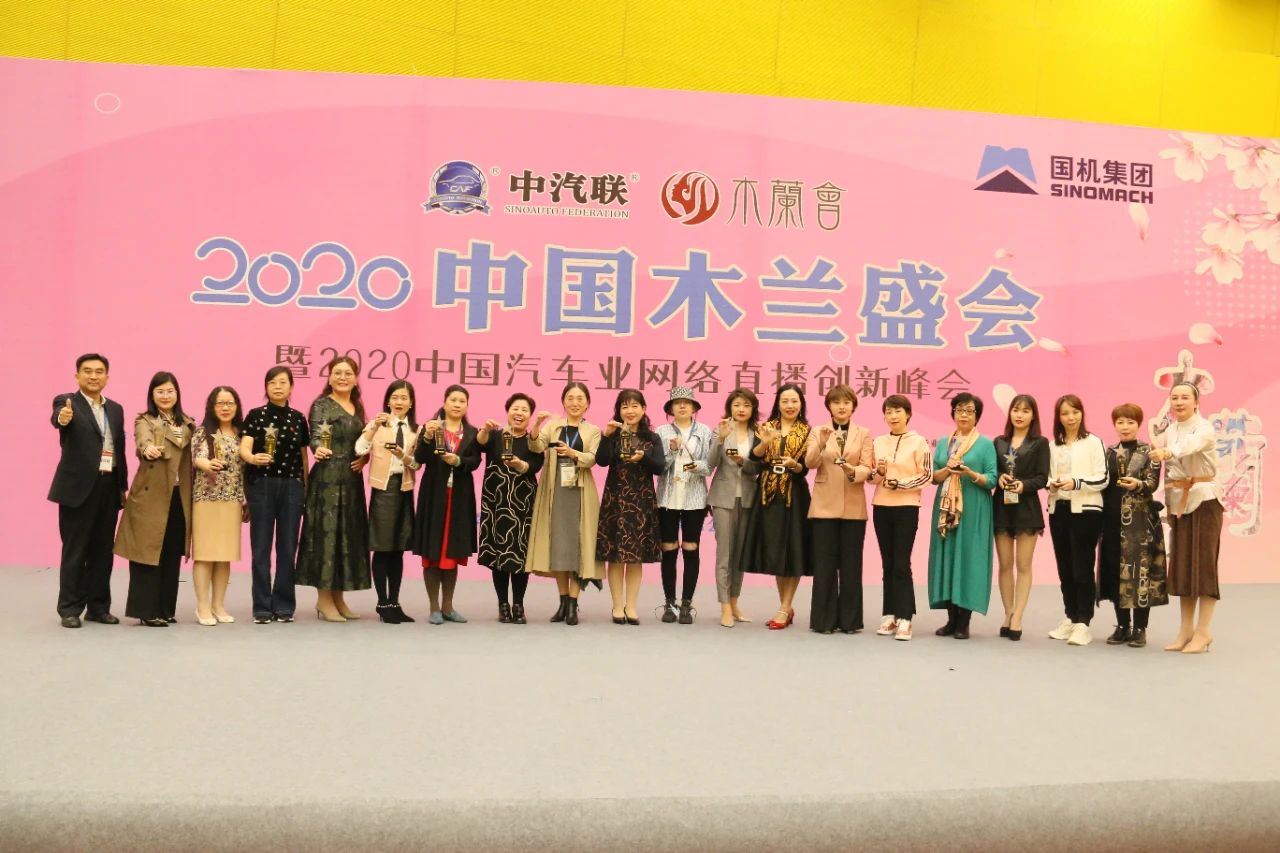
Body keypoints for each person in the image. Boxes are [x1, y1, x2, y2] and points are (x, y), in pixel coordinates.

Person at [49, 353, 129, 628]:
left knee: (103, 552)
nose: (93, 376)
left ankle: (98, 608)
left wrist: (122, 486)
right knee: (75, 550)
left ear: (107, 376)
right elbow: (58, 418)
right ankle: (69, 609)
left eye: (99, 371)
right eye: (87, 371)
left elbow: (120, 449)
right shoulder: (67, 402)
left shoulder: (116, 409)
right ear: (77, 376)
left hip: (108, 487)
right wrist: (62, 417)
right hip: (77, 489)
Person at [114, 372, 194, 627]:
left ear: (177, 393)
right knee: (147, 553)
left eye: (170, 391)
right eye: (160, 391)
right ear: (152, 395)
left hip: (179, 496)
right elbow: (143, 441)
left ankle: (165, 608)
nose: (165, 396)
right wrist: (147, 448)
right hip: (150, 497)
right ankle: (146, 611)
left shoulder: (188, 424)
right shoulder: (145, 420)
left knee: (171, 552)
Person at [296, 356, 370, 621]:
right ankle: (323, 600)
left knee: (345, 538)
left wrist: (365, 458)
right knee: (326, 539)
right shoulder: (321, 405)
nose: (342, 377)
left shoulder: (357, 406)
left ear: (356, 378)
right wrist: (318, 448)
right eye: (337, 372)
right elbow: (316, 436)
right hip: (327, 480)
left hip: (351, 482)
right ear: (329, 377)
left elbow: (362, 441)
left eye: (348, 373)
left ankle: (339, 598)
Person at [1151, 381, 1222, 654]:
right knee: (1182, 566)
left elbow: (1190, 446)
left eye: (1184, 397)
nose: (1179, 402)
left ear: (1196, 402)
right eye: (1174, 397)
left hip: (1204, 500)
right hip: (1179, 502)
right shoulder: (1170, 430)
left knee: (1204, 566)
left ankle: (1204, 631)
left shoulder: (1204, 428)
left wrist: (1168, 451)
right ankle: (1185, 631)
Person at [526, 382, 605, 625]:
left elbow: (592, 459)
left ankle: (573, 603)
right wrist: (537, 426)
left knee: (579, 547)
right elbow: (536, 446)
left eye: (580, 398)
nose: (575, 402)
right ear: (563, 402)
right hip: (554, 489)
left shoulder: (593, 430)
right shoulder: (553, 425)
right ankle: (562, 602)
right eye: (570, 398)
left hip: (580, 492)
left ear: (588, 403)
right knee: (558, 546)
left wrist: (573, 454)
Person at [738, 383, 812, 630]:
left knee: (794, 549)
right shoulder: (766, 427)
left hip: (795, 493)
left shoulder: (808, 431)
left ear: (801, 404)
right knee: (777, 550)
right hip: (767, 493)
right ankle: (785, 607)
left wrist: (795, 465)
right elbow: (755, 457)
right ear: (778, 404)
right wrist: (765, 442)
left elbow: (805, 468)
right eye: (785, 401)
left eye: (794, 401)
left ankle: (784, 608)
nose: (790, 405)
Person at [239, 365, 310, 624]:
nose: (277, 387)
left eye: (282, 382)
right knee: (260, 548)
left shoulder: (298, 418)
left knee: (288, 548)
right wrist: (253, 458)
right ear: (266, 387)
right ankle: (261, 606)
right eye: (272, 382)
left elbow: (304, 457)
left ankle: (284, 605)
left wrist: (305, 488)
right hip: (262, 484)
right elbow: (244, 448)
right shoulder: (255, 416)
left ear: (291, 387)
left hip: (292, 486)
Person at [804, 384, 873, 635]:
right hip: (823, 505)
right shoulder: (817, 431)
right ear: (829, 406)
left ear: (853, 406)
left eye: (846, 402)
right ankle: (824, 621)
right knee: (824, 565)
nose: (841, 407)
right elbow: (810, 463)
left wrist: (853, 471)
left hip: (853, 506)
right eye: (836, 402)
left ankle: (850, 621)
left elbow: (868, 467)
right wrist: (821, 443)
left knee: (851, 565)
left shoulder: (863, 433)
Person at [1097, 402, 1167, 648]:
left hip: (1140, 524)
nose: (1125, 427)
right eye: (1120, 422)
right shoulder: (1107, 453)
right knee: (1116, 573)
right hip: (1111, 521)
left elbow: (1152, 483)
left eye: (1130, 422)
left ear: (1138, 424)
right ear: (1114, 425)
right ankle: (1122, 625)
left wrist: (1138, 485)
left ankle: (1140, 628)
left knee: (1140, 574)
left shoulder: (1150, 452)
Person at [927, 392, 996, 640]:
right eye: (959, 410)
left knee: (969, 559)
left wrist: (969, 473)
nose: (963, 415)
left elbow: (992, 479)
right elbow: (933, 477)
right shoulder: (944, 443)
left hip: (973, 508)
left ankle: (964, 622)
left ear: (977, 416)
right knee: (947, 557)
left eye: (969, 411)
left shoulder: (985, 444)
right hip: (945, 508)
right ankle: (951, 619)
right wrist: (948, 469)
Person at [413, 384, 481, 625]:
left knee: (452, 553)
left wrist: (459, 460)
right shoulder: (431, 428)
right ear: (444, 402)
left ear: (467, 406)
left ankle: (448, 607)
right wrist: (426, 437)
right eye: (453, 400)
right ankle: (434, 607)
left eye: (462, 401)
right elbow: (419, 458)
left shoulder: (472, 433)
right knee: (432, 553)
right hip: (434, 495)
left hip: (460, 498)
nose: (457, 404)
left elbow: (475, 461)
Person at [597, 389, 665, 625]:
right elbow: (601, 461)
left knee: (635, 557)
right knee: (616, 556)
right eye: (625, 406)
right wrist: (606, 437)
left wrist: (642, 457)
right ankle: (617, 605)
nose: (630, 410)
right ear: (619, 410)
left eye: (635, 406)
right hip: (615, 500)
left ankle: (632, 606)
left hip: (641, 502)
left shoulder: (652, 438)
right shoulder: (613, 434)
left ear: (644, 409)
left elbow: (660, 466)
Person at [868, 395, 932, 641]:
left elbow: (926, 475)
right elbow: (872, 478)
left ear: (908, 414)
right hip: (881, 506)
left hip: (907, 507)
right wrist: (879, 473)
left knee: (901, 563)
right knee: (887, 563)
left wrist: (901, 483)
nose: (893, 416)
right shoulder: (878, 442)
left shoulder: (919, 442)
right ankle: (889, 614)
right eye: (888, 412)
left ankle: (906, 617)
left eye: (897, 411)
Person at [355, 380, 420, 624]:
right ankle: (382, 603)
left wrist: (403, 456)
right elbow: (360, 448)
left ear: (411, 403)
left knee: (398, 550)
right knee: (383, 548)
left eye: (404, 398)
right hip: (383, 490)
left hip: (405, 490)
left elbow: (417, 464)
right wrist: (373, 426)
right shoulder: (378, 425)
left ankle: (395, 602)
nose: (399, 402)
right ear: (388, 401)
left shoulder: (416, 430)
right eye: (395, 397)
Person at [1046, 394, 1108, 647]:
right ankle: (1070, 617)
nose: (1070, 418)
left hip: (1086, 511)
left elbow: (1103, 478)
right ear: (1058, 418)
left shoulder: (1093, 442)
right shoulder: (1054, 445)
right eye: (1065, 413)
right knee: (1065, 568)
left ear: (1082, 413)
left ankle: (1084, 622)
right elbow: (1047, 476)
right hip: (1058, 509)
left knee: (1082, 567)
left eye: (1075, 412)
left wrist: (1077, 482)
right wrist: (1052, 484)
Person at [477, 394, 544, 624]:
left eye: (525, 410)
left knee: (520, 556)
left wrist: (520, 465)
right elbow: (480, 444)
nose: (519, 413)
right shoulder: (496, 435)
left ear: (530, 415)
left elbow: (536, 464)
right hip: (496, 503)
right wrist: (485, 430)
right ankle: (502, 604)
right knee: (498, 555)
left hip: (523, 505)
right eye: (515, 408)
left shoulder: (533, 440)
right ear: (507, 411)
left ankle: (518, 604)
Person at [991, 394, 1050, 642]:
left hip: (1027, 508)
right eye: (1016, 409)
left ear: (1033, 415)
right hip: (1001, 507)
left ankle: (1018, 617)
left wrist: (1023, 485)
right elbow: (992, 471)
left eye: (1026, 411)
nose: (1019, 414)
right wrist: (1000, 478)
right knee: (1004, 565)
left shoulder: (1040, 443)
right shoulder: (998, 441)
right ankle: (1007, 613)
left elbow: (1042, 478)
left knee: (1023, 565)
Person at [654, 386, 713, 624]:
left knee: (690, 547)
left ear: (694, 408)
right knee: (668, 548)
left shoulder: (705, 431)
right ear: (670, 408)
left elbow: (709, 466)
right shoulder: (661, 431)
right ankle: (670, 603)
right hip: (667, 498)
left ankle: (687, 604)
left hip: (694, 498)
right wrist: (671, 450)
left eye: (686, 403)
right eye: (677, 403)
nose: (682, 406)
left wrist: (695, 466)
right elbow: (658, 466)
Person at [191, 386, 247, 626]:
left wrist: (247, 499)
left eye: (230, 403)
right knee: (204, 555)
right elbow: (197, 457)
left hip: (233, 500)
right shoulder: (202, 432)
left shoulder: (242, 434)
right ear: (212, 407)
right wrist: (207, 464)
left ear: (237, 406)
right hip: (206, 499)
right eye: (220, 403)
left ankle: (218, 604)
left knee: (224, 556)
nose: (225, 408)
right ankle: (202, 605)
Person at [707, 388, 761, 628]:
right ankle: (724, 606)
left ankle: (734, 602)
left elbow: (758, 468)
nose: (741, 409)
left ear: (753, 409)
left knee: (739, 555)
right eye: (737, 404)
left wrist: (744, 462)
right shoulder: (720, 430)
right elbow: (709, 464)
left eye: (747, 405)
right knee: (725, 555)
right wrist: (720, 440)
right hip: (723, 498)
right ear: (730, 407)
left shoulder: (757, 433)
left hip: (748, 498)